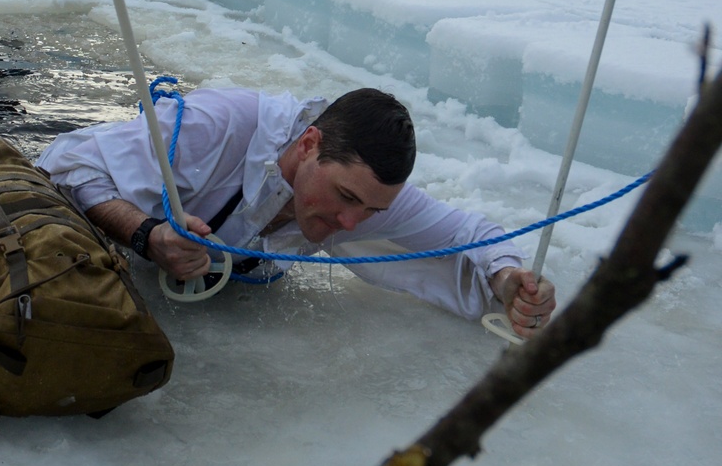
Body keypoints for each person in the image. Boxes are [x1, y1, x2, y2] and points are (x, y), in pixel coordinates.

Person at [36, 86, 557, 339]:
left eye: (373, 208)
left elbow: (469, 231)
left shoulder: (364, 198)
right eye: (347, 198)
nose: (352, 222)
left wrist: (506, 276)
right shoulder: (218, 126)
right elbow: (62, 162)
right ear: (308, 144)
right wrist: (147, 234)